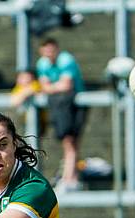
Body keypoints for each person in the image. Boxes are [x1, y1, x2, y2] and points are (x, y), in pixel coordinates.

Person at [36, 38, 86, 192]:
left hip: (74, 104)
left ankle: (69, 178)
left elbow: (67, 85)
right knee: (69, 142)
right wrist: (55, 87)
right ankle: (71, 177)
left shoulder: (66, 60)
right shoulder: (42, 63)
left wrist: (51, 87)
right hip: (61, 104)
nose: (49, 54)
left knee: (71, 141)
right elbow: (48, 86)